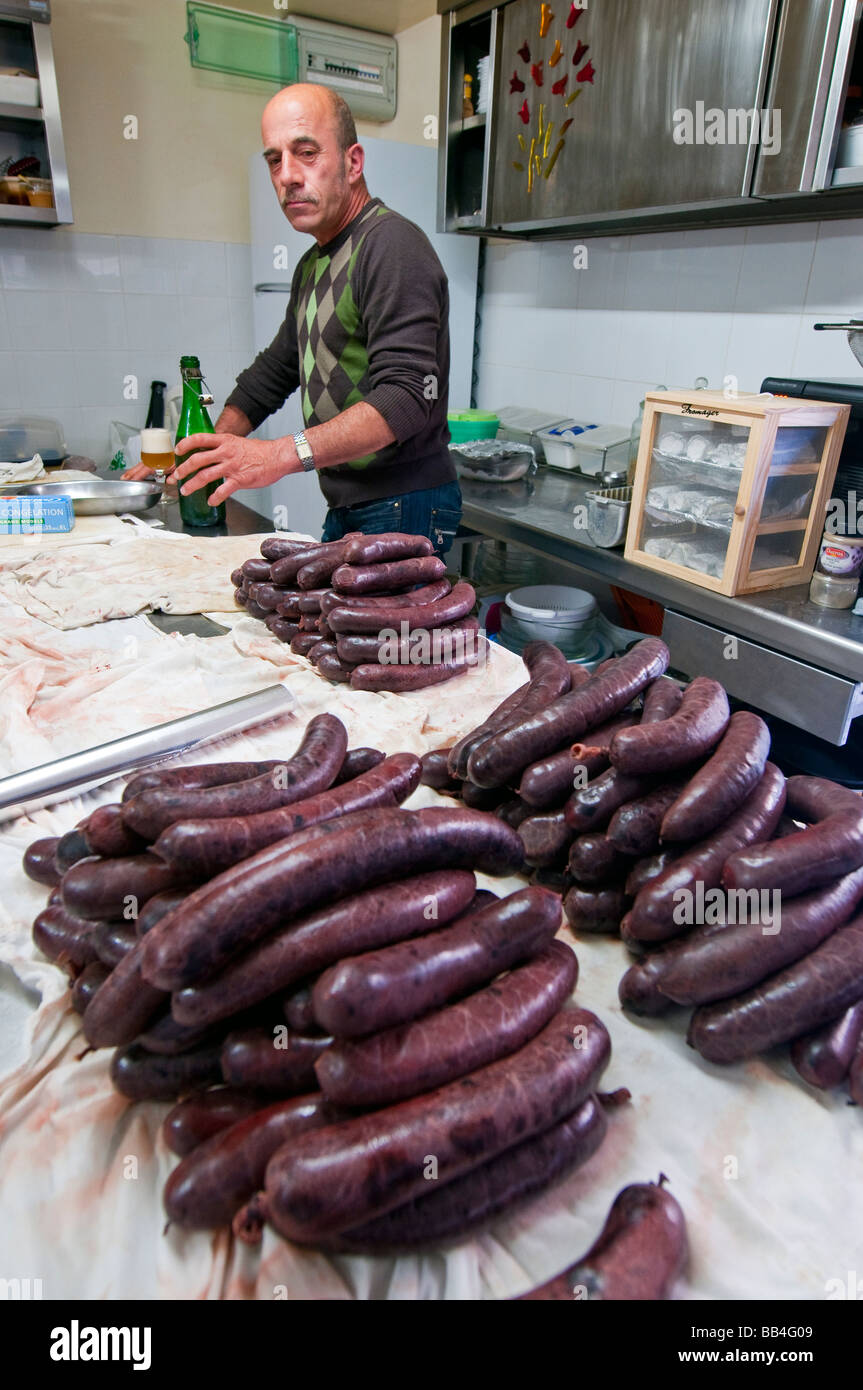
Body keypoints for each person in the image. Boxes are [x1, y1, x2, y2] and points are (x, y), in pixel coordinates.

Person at [131, 84, 461, 556]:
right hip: (352, 504)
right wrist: (201, 457)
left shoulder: (391, 245)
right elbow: (275, 372)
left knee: (387, 634)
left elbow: (406, 398)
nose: (287, 175)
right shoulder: (313, 263)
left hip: (403, 503)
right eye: (274, 160)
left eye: (306, 153)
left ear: (353, 162)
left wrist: (278, 455)